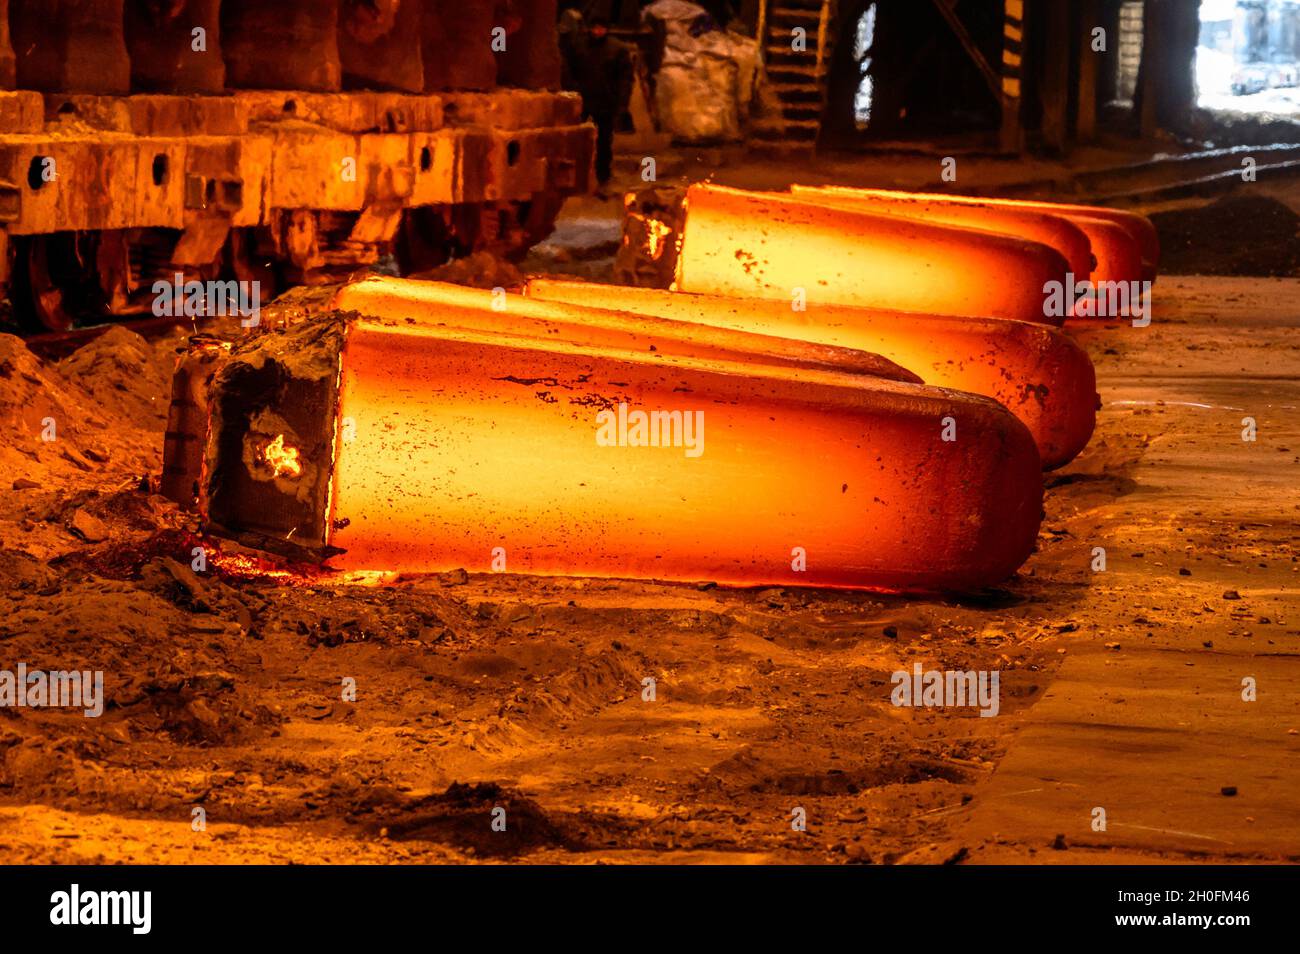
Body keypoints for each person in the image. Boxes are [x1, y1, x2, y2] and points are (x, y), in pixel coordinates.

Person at [561, 14, 634, 197]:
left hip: (605, 103)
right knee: (577, 141)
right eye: (595, 27)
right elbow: (568, 70)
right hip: (583, 100)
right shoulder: (579, 47)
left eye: (601, 28)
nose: (598, 31)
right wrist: (573, 92)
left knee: (603, 143)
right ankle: (576, 178)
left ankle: (602, 177)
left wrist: (622, 103)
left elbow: (625, 79)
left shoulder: (616, 49)